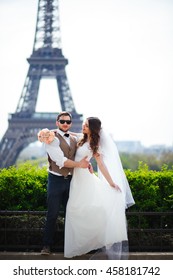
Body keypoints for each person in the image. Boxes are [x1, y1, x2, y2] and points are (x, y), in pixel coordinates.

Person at [64, 117, 135, 259]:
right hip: (77, 178)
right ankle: (78, 247)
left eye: (86, 125)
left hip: (84, 179)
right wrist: (47, 132)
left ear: (92, 128)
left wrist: (111, 183)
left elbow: (101, 165)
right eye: (83, 124)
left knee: (76, 210)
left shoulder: (94, 144)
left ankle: (84, 245)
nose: (83, 126)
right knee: (74, 210)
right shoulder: (81, 138)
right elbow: (64, 132)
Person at [37, 111, 90, 255]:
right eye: (62, 121)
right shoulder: (50, 138)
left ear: (71, 123)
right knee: (52, 214)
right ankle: (46, 246)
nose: (65, 124)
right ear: (57, 122)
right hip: (56, 180)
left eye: (68, 122)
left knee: (72, 215)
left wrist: (89, 163)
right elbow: (60, 161)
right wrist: (80, 165)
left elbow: (85, 145)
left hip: (72, 180)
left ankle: (70, 246)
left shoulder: (74, 137)